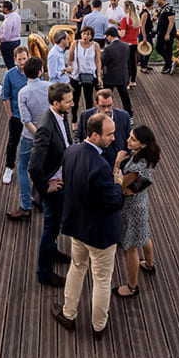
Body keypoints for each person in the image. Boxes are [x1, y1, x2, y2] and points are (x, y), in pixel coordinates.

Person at [52, 113, 124, 339]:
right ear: (94, 135)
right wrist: (118, 184)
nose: (114, 138)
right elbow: (113, 202)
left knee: (77, 267)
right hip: (100, 234)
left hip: (77, 226)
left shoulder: (71, 151)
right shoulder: (101, 167)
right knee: (102, 279)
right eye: (109, 134)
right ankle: (98, 326)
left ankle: (68, 314)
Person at [29, 83, 75, 286]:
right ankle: (44, 272)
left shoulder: (61, 116)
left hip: (62, 177)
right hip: (53, 187)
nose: (72, 104)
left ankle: (53, 251)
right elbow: (33, 166)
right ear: (56, 103)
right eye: (68, 101)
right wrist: (45, 187)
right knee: (50, 228)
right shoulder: (46, 127)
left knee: (54, 227)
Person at [112, 125, 160, 298]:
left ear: (143, 144)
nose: (128, 140)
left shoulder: (136, 166)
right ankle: (149, 264)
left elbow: (119, 184)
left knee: (130, 247)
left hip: (131, 208)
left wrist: (117, 162)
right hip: (141, 202)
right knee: (144, 234)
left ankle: (132, 286)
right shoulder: (147, 157)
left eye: (133, 139)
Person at [8, 56, 49, 220]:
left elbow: (26, 120)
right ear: (41, 71)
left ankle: (26, 205)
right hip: (47, 135)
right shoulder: (50, 87)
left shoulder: (23, 92)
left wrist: (37, 135)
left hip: (29, 137)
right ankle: (42, 200)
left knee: (23, 168)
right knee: (45, 169)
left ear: (25, 73)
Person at [74, 88, 130, 172]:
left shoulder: (124, 117)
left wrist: (123, 157)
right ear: (96, 103)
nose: (107, 110)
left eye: (109, 105)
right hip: (92, 163)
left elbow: (129, 140)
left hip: (116, 163)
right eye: (103, 106)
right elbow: (77, 137)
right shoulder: (85, 115)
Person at [0, 46, 30, 186]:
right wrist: (10, 116)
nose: (22, 62)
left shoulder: (33, 72)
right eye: (20, 59)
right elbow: (5, 96)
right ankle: (9, 167)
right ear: (15, 60)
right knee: (13, 142)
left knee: (34, 142)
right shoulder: (9, 74)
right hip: (17, 116)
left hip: (31, 116)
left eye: (24, 58)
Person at [67, 27, 101, 119]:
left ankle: (88, 119)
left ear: (91, 36)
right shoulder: (75, 43)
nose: (85, 36)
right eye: (84, 33)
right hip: (76, 75)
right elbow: (70, 59)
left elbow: (98, 62)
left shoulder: (95, 45)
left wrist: (99, 77)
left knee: (89, 99)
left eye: (88, 34)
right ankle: (74, 119)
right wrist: (69, 73)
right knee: (75, 99)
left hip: (89, 75)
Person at [100, 27, 133, 118]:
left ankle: (104, 115)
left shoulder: (108, 48)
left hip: (110, 77)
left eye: (107, 36)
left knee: (106, 96)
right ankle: (130, 116)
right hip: (123, 76)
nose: (106, 38)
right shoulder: (126, 46)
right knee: (124, 97)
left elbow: (103, 62)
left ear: (110, 37)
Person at [118, 0, 140, 86]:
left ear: (126, 9)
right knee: (132, 63)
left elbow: (122, 34)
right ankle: (133, 80)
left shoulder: (125, 19)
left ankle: (126, 82)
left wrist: (117, 31)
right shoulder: (136, 19)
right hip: (134, 43)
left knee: (125, 64)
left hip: (125, 44)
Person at [154, 0, 177, 74]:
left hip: (166, 32)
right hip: (161, 32)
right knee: (163, 48)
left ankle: (169, 63)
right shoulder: (161, 9)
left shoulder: (169, 9)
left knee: (164, 48)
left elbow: (171, 22)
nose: (156, 1)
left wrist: (168, 33)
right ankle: (168, 64)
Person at [0, 0, 22, 70]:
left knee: (10, 64)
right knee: (16, 60)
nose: (1, 9)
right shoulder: (16, 15)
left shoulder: (8, 21)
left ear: (6, 9)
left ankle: (12, 76)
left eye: (2, 8)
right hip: (17, 41)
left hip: (8, 44)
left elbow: (5, 37)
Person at [138, 0, 155, 72]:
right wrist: (144, 36)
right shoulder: (145, 13)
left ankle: (145, 64)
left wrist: (153, 20)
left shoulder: (145, 12)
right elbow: (142, 25)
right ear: (151, 5)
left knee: (149, 49)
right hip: (145, 34)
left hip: (146, 33)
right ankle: (143, 66)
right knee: (144, 50)